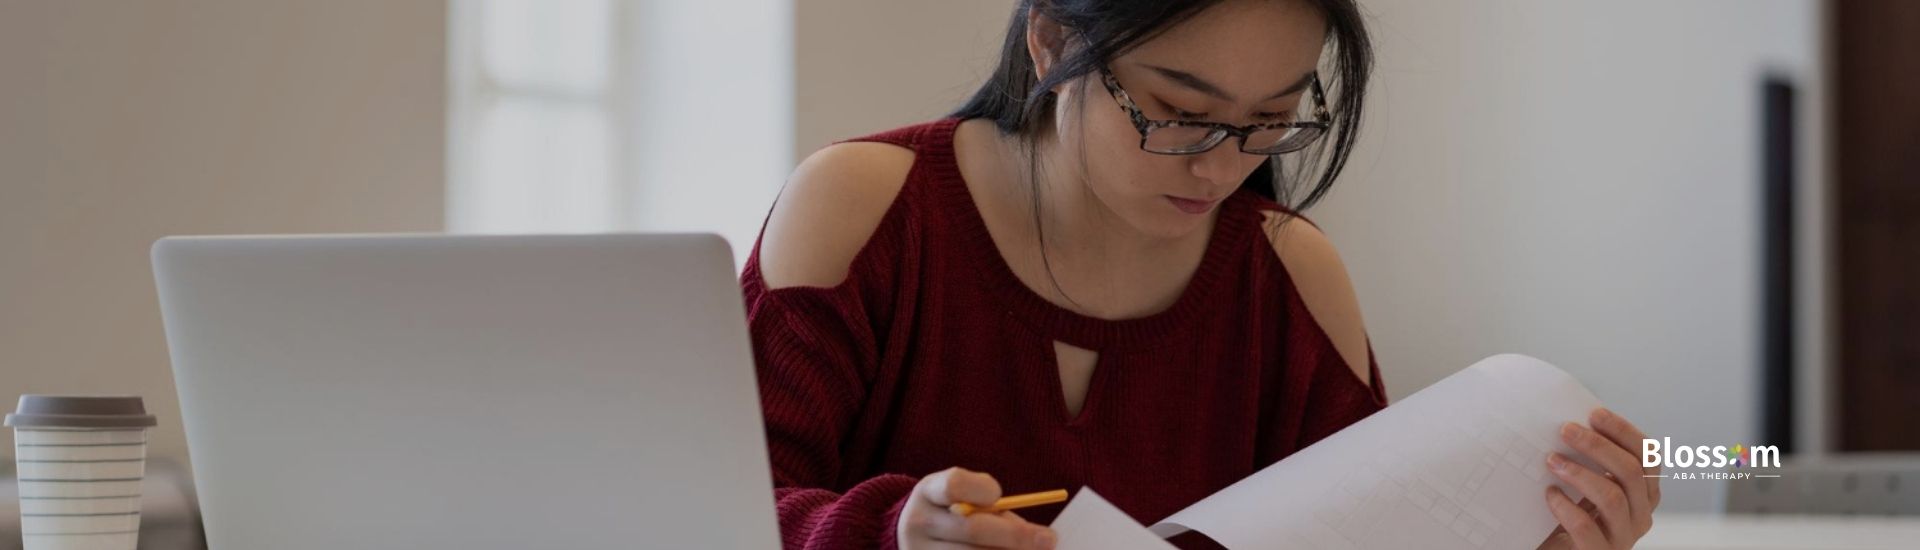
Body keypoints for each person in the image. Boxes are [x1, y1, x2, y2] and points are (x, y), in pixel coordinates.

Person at [741, 1, 1663, 548]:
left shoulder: (1290, 275)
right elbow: (716, 514)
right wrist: (892, 532)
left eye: (1272, 117)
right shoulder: (865, 209)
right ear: (1054, 42)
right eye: (1178, 111)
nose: (1223, 168)